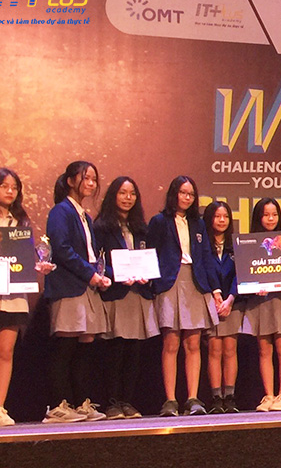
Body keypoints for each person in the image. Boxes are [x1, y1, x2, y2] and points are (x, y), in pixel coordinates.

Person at [0, 168, 53, 427]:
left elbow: (23, 260)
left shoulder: (21, 224)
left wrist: (37, 267)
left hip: (14, 297)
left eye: (14, 187)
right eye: (4, 186)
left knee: (6, 351)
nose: (10, 191)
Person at [44, 161, 111, 423]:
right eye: (86, 178)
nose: (91, 183)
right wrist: (90, 274)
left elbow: (90, 253)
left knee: (85, 345)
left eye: (94, 179)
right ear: (71, 181)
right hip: (69, 287)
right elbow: (62, 249)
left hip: (87, 287)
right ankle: (58, 405)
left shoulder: (85, 215)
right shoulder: (60, 211)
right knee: (66, 346)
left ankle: (81, 403)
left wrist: (100, 275)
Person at [148, 176, 219, 417]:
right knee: (171, 342)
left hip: (195, 282)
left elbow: (206, 257)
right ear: (174, 194)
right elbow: (150, 253)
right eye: (183, 193)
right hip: (170, 282)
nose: (187, 198)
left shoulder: (198, 223)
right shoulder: (159, 221)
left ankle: (192, 398)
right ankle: (170, 400)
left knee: (193, 343)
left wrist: (215, 289)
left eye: (191, 194)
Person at [94, 176, 158, 419]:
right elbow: (97, 262)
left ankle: (127, 401)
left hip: (137, 295)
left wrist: (147, 276)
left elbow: (149, 258)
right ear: (113, 195)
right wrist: (115, 275)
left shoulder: (141, 228)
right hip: (116, 294)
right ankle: (112, 403)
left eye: (132, 194)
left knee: (134, 351)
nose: (127, 198)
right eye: (122, 193)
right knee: (115, 350)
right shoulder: (101, 227)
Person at [243, 198, 281, 412]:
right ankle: (269, 395)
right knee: (264, 349)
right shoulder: (250, 244)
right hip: (260, 301)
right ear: (259, 217)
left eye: (274, 214)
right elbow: (246, 274)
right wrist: (253, 286)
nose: (271, 218)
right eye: (266, 215)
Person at [204, 200, 243, 413]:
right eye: (217, 216)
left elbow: (241, 273)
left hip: (232, 303)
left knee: (230, 349)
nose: (222, 220)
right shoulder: (203, 245)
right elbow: (203, 270)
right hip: (210, 302)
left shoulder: (236, 245)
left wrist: (230, 298)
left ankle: (230, 396)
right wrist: (214, 293)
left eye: (226, 216)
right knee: (214, 349)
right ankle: (216, 398)